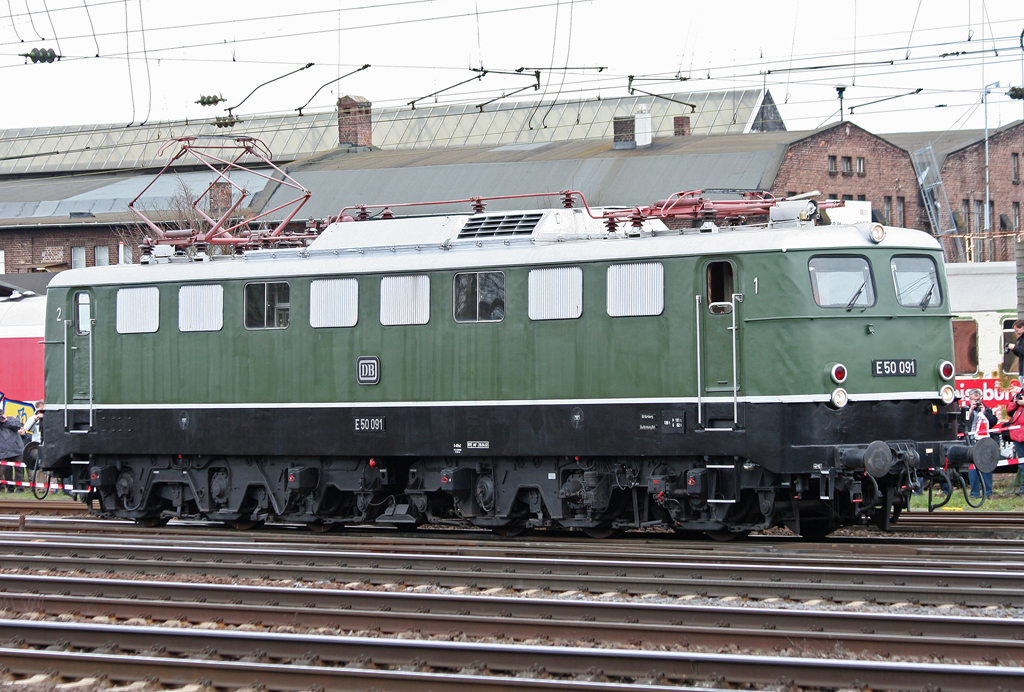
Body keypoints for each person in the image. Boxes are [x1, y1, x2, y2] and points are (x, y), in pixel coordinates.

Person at [963, 389, 997, 498]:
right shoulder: (966, 410)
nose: (976, 402)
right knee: (973, 469)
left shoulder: (986, 409)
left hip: (985, 443)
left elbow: (993, 421)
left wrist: (984, 413)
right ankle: (974, 493)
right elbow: (963, 422)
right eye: (973, 400)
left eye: (978, 400)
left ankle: (988, 493)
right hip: (972, 442)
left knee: (986, 467)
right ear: (969, 399)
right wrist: (971, 410)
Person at [0, 414, 27, 493]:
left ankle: (20, 488)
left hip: (17, 450)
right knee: (7, 472)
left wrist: (6, 421)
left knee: (19, 470)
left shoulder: (11, 419)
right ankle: (10, 488)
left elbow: (18, 426)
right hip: (4, 452)